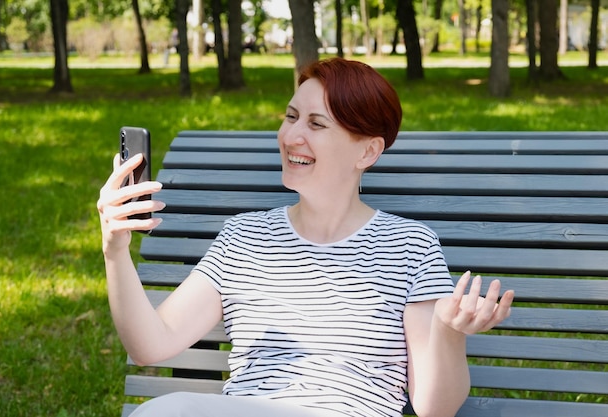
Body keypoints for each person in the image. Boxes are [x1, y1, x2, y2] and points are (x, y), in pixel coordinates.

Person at [97, 57, 514, 417]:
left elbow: (434, 408)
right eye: (291, 116)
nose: (291, 136)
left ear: (367, 152)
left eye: (316, 124)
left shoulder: (410, 246)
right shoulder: (246, 237)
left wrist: (448, 329)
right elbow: (151, 344)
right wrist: (115, 250)